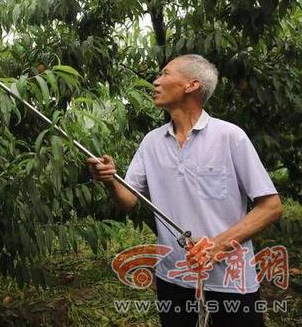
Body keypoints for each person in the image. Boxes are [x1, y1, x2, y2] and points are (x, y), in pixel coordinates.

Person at [88, 54, 283, 327]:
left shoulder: (230, 136)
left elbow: (271, 206)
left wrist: (217, 245)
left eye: (165, 74)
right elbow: (128, 200)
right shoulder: (152, 142)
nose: (156, 81)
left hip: (231, 280)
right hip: (173, 276)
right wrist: (111, 180)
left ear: (192, 85)